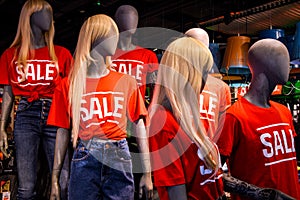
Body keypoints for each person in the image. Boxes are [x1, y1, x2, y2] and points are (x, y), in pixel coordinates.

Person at [48, 14, 153, 200]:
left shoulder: (126, 82)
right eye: (111, 33)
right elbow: (62, 131)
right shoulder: (69, 86)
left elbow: (140, 126)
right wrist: (55, 178)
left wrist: (148, 173)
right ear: (96, 37)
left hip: (118, 154)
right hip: (85, 155)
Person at [0, 0, 73, 199]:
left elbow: (71, 91)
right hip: (25, 114)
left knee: (63, 182)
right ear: (30, 18)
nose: (50, 18)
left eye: (50, 13)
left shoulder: (62, 54)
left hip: (56, 116)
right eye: (44, 13)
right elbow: (8, 92)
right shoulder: (10, 55)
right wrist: (1, 128)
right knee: (26, 186)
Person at [217, 38, 300, 200]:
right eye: (281, 57)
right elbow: (213, 173)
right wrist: (260, 194)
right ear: (265, 64)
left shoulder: (284, 112)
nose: (288, 65)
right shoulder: (233, 117)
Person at [149, 36, 224, 200]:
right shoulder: (163, 122)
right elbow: (175, 191)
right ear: (190, 73)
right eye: (204, 72)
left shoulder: (188, 115)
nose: (206, 79)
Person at [111, 5, 159, 199]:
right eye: (124, 16)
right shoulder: (108, 54)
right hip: (113, 117)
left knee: (140, 168)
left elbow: (156, 88)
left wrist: (151, 111)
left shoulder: (147, 56)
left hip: (137, 117)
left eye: (133, 17)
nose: (129, 20)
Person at [185, 27, 231, 141]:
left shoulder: (221, 88)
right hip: (179, 152)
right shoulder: (172, 81)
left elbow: (223, 125)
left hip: (208, 153)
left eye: (201, 48)